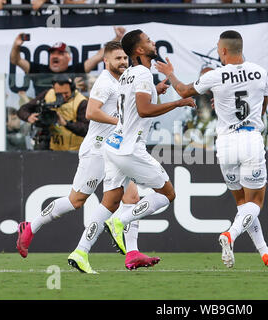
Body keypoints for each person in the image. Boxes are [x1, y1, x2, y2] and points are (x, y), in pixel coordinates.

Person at [16, 41, 163, 273]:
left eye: (125, 58)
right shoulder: (104, 82)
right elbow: (91, 112)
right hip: (96, 150)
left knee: (132, 198)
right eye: (118, 59)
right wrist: (122, 122)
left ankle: (132, 253)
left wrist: (156, 92)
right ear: (106, 61)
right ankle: (31, 226)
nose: (123, 62)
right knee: (76, 201)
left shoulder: (125, 79)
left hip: (117, 150)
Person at [156, 30, 268, 269]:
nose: (218, 51)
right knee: (255, 202)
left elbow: (183, 91)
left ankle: (265, 252)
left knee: (242, 204)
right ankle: (230, 235)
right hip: (250, 139)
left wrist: (169, 74)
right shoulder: (260, 73)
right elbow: (262, 106)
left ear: (224, 51)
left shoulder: (215, 76)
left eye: (218, 48)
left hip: (225, 144)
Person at [101, 30, 196, 258]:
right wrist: (178, 102)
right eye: (148, 40)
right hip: (130, 149)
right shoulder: (143, 73)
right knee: (167, 195)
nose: (153, 42)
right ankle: (118, 222)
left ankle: (129, 252)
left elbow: (134, 104)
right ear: (140, 50)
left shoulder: (129, 74)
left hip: (115, 144)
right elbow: (144, 110)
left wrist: (155, 90)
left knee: (127, 199)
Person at [10, 27, 126, 95]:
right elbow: (16, 60)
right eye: (52, 53)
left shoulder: (76, 70)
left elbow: (99, 56)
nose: (55, 56)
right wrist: (16, 45)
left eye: (60, 53)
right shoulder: (38, 69)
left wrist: (117, 38)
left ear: (69, 58)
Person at [17, 75, 89, 150]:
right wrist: (29, 117)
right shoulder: (48, 94)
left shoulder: (81, 102)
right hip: (50, 147)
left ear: (72, 89)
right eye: (59, 94)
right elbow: (22, 110)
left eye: (66, 93)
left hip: (73, 150)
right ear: (54, 89)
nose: (63, 96)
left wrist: (66, 123)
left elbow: (86, 129)